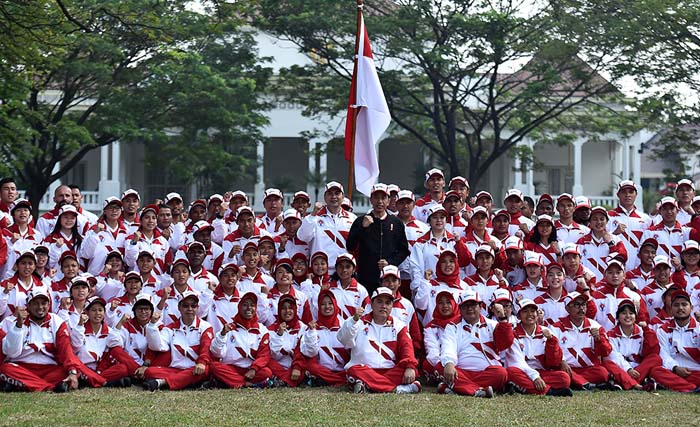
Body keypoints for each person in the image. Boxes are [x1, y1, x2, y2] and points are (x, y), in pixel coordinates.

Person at [338, 287, 421, 394]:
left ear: (392, 306)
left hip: (390, 371)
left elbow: (407, 349)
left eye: (388, 303)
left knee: (411, 371)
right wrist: (353, 321)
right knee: (353, 370)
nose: (384, 306)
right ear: (371, 304)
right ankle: (398, 389)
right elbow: (343, 339)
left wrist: (410, 366)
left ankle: (369, 385)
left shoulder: (399, 325)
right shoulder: (358, 322)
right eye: (379, 302)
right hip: (365, 370)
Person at [0, 287, 81, 392]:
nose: (40, 307)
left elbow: (65, 349)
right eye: (35, 303)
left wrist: (72, 372)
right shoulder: (14, 322)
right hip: (22, 368)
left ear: (49, 305)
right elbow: (12, 353)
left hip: (50, 369)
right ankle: (49, 388)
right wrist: (18, 326)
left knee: (74, 370)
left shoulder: (57, 322)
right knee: (6, 369)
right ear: (28, 306)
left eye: (44, 303)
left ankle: (25, 385)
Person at [438, 290, 512, 397]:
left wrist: (503, 319)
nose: (470, 309)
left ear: (480, 307)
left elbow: (505, 344)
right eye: (465, 306)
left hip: (486, 372)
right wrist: (449, 363)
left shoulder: (492, 324)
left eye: (473, 305)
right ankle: (478, 391)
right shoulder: (452, 326)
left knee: (501, 373)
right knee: (440, 366)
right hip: (460, 371)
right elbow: (448, 346)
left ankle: (455, 387)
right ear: (460, 309)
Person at [346, 183, 409, 295]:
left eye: (383, 198)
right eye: (376, 197)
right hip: (366, 278)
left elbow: (403, 251)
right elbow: (350, 246)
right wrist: (362, 228)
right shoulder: (360, 221)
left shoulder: (396, 223)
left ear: (389, 201)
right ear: (371, 200)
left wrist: (390, 262)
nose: (380, 201)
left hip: (388, 279)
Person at [143, 291, 214, 391]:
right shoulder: (170, 328)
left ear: (197, 308)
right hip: (175, 370)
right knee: (149, 372)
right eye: (185, 305)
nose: (190, 309)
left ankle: (162, 382)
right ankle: (187, 382)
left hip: (196, 368)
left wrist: (201, 362)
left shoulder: (205, 326)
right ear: (179, 308)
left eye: (193, 306)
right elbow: (158, 346)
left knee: (205, 370)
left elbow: (205, 348)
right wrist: (152, 325)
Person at [503, 298, 572, 396]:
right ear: (518, 316)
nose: (530, 314)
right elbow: (517, 362)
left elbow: (554, 362)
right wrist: (535, 377)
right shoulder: (513, 334)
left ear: (537, 314)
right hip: (522, 372)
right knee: (510, 372)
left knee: (564, 378)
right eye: (525, 311)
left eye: (533, 311)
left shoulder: (546, 331)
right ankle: (549, 391)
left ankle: (522, 388)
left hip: (542, 373)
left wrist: (551, 341)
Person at [209, 292, 274, 389]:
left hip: (250, 369)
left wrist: (253, 369)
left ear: (256, 308)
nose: (248, 308)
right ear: (239, 307)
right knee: (214, 367)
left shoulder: (262, 329)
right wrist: (222, 335)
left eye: (252, 305)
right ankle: (246, 384)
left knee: (267, 372)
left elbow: (264, 355)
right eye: (245, 305)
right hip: (232, 367)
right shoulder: (229, 327)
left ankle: (231, 382)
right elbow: (216, 352)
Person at [550, 292, 613, 390]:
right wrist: (562, 361)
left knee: (602, 373)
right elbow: (553, 352)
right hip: (566, 368)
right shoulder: (556, 327)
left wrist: (599, 340)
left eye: (583, 304)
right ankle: (585, 384)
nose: (581, 308)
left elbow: (606, 352)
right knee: (562, 375)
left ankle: (577, 383)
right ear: (567, 308)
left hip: (588, 369)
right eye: (576, 305)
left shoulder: (595, 326)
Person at [69, 295, 132, 388]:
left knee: (123, 368)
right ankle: (104, 382)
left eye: (100, 310)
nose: (97, 313)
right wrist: (80, 324)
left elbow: (117, 345)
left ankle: (92, 380)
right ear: (86, 312)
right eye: (93, 310)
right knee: (78, 366)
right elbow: (75, 346)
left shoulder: (109, 330)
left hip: (102, 369)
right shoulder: (79, 329)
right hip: (84, 367)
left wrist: (120, 324)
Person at [602, 300, 663, 391]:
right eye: (623, 313)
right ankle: (638, 385)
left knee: (655, 358)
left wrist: (647, 330)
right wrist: (628, 370)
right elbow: (614, 356)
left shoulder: (642, 331)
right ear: (618, 317)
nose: (628, 316)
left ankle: (623, 383)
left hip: (638, 368)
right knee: (607, 363)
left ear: (635, 317)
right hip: (621, 368)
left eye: (631, 313)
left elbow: (651, 350)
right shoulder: (611, 334)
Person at [297, 182, 356, 274]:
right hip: (320, 272)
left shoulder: (352, 218)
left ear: (343, 196)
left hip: (344, 272)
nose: (334, 197)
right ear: (325, 197)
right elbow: (303, 237)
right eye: (330, 194)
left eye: (337, 193)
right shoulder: (314, 217)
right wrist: (313, 215)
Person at [409, 204, 471, 289]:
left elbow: (465, 261)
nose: (439, 220)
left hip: (451, 289)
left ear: (446, 220)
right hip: (428, 289)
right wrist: (421, 288)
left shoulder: (454, 241)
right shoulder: (420, 243)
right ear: (429, 220)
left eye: (442, 217)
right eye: (435, 217)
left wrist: (459, 243)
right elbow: (416, 269)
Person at [300, 289, 349, 386]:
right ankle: (342, 381)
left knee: (354, 369)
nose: (327, 307)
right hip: (322, 370)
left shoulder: (344, 325)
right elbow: (308, 353)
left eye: (330, 303)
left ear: (335, 305)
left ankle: (328, 380)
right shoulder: (312, 328)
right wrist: (311, 332)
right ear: (318, 306)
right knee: (311, 367)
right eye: (323, 304)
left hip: (343, 369)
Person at [656, 289, 700, 391]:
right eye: (676, 305)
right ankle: (692, 388)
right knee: (656, 371)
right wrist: (675, 368)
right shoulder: (663, 329)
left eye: (684, 304)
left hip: (696, 371)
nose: (680, 308)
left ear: (691, 308)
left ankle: (678, 385)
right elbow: (663, 354)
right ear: (671, 309)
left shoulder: (698, 327)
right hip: (673, 371)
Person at [412, 250, 469, 326]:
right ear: (439, 264)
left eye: (451, 261)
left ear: (456, 263)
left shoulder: (464, 286)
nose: (448, 264)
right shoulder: (430, 284)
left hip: (457, 332)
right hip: (433, 331)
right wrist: (425, 282)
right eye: (443, 261)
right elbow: (420, 305)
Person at [590, 258, 649, 331]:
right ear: (604, 275)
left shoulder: (634, 296)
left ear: (624, 275)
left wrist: (636, 312)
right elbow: (590, 322)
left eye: (618, 272)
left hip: (627, 340)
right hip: (602, 340)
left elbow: (643, 323)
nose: (614, 275)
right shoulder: (594, 297)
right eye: (610, 272)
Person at [608, 180, 652, 270]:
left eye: (631, 192)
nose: (627, 195)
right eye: (624, 192)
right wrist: (614, 233)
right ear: (618, 194)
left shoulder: (645, 219)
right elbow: (601, 240)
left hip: (638, 269)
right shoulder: (608, 216)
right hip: (615, 268)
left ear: (636, 194)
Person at [576, 206, 627, 280]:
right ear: (590, 222)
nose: (599, 222)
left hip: (609, 286)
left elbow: (622, 258)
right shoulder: (581, 242)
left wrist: (610, 244)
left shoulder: (615, 239)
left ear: (607, 221)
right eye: (594, 219)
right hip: (589, 284)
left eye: (602, 219)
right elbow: (577, 265)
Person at [267, 295, 308, 387]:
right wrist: (279, 334)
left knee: (307, 363)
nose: (287, 311)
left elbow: (302, 351)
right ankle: (287, 380)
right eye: (283, 308)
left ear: (295, 309)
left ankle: (281, 381)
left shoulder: (303, 328)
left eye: (290, 308)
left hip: (296, 366)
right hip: (278, 367)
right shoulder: (270, 329)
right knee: (267, 361)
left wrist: (296, 367)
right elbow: (273, 354)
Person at [82, 197, 128, 276]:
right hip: (95, 277)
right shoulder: (93, 230)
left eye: (117, 208)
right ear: (104, 211)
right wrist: (95, 234)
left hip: (117, 279)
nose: (114, 211)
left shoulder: (126, 231)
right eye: (110, 208)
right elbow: (86, 254)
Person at [422, 290, 460, 382]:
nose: (445, 306)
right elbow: (432, 351)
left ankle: (449, 382)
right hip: (441, 363)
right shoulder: (430, 327)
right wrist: (446, 364)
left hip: (460, 361)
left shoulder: (461, 323)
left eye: (448, 302)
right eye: (441, 303)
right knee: (427, 364)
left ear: (454, 304)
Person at [125, 204, 171, 278]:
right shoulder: (131, 239)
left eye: (153, 218)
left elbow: (168, 264)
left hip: (158, 284)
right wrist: (134, 242)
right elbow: (130, 263)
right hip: (138, 283)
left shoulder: (163, 241)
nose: (151, 221)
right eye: (147, 217)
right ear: (140, 220)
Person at [642, 197, 691, 261]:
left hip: (680, 270)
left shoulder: (686, 231)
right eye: (665, 209)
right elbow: (641, 254)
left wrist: (695, 215)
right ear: (659, 212)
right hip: (657, 270)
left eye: (672, 208)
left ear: (678, 211)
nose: (669, 212)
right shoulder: (649, 232)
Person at [327, 253, 370, 320]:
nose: (344, 270)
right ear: (336, 268)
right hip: (333, 329)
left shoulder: (361, 290)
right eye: (340, 266)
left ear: (354, 269)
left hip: (354, 329)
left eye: (348, 266)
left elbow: (368, 314)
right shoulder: (329, 288)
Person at [1, 250, 42, 319]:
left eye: (30, 263)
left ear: (35, 266)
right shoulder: (4, 284)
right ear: (17, 265)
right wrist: (4, 293)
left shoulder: (41, 286)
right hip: (8, 327)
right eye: (23, 263)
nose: (27, 267)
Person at [43, 205, 84, 271]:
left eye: (72, 218)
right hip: (56, 279)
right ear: (59, 218)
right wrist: (56, 248)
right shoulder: (50, 239)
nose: (69, 220)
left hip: (77, 278)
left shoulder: (81, 239)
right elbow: (47, 264)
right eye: (66, 217)